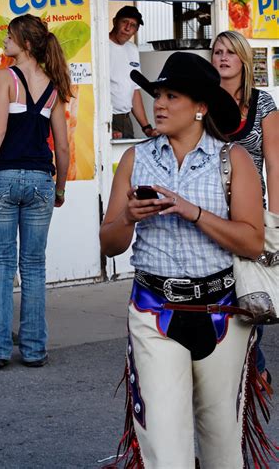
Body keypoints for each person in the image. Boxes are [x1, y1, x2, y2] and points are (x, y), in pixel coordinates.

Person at [100, 52, 269, 468]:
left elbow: (252, 241)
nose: (158, 104)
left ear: (200, 107)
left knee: (221, 447)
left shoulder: (233, 160)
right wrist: (127, 216)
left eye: (171, 96)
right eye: (157, 94)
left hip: (221, 313)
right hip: (154, 312)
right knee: (164, 449)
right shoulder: (134, 159)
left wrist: (192, 211)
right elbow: (109, 244)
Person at [0, 14, 70, 369]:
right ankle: (33, 349)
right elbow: (62, 146)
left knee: (1, 264)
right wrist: (59, 188)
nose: (4, 41)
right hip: (41, 180)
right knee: (33, 266)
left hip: (3, 177)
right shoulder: (53, 85)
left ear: (26, 43)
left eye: (10, 36)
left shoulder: (5, 77)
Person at [212, 30, 279, 387]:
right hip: (210, 210)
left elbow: (275, 161)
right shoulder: (202, 101)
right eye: (217, 51)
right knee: (219, 290)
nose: (222, 58)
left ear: (243, 60)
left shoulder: (263, 103)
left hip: (251, 212)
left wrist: (275, 221)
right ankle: (239, 366)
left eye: (230, 53)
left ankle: (255, 365)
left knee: (251, 289)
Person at [109, 5, 156, 139]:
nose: (127, 28)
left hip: (125, 119)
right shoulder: (100, 45)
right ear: (114, 22)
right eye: (124, 22)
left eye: (133, 25)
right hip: (105, 119)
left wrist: (146, 128)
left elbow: (134, 90)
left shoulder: (132, 49)